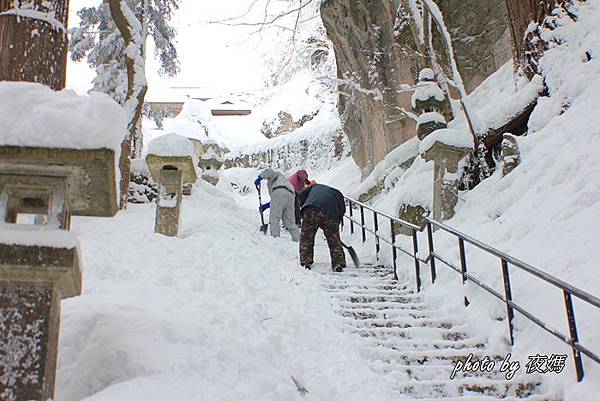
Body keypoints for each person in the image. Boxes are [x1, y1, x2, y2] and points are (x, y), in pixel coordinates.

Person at [297, 183, 346, 272]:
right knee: (333, 240)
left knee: (307, 237)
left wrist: (303, 209)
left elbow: (300, 196)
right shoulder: (337, 193)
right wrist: (335, 226)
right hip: (330, 212)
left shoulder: (313, 187)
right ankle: (338, 263)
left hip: (311, 210)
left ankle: (306, 262)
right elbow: (342, 210)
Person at [254, 168, 300, 242]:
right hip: (291, 196)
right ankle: (298, 241)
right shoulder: (283, 181)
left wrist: (259, 178)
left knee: (274, 219)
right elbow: (280, 201)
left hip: (279, 193)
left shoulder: (277, 174)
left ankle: (276, 240)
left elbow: (268, 172)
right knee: (290, 223)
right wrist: (265, 206)